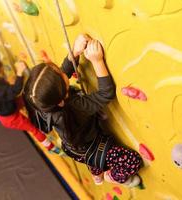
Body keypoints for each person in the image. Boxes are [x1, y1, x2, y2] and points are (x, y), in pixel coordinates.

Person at [24, 34, 143, 186]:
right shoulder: (76, 107)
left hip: (75, 148)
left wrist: (74, 52)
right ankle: (109, 177)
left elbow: (61, 76)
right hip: (92, 147)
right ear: (62, 98)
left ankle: (96, 175)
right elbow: (106, 94)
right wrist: (97, 61)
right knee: (132, 161)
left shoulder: (41, 101)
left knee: (90, 158)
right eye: (60, 73)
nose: (62, 70)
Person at [0, 29, 59, 153]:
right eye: (2, 71)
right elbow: (15, 90)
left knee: (28, 97)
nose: (3, 72)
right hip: (10, 117)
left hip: (9, 104)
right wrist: (19, 73)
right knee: (33, 129)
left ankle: (40, 112)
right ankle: (52, 148)